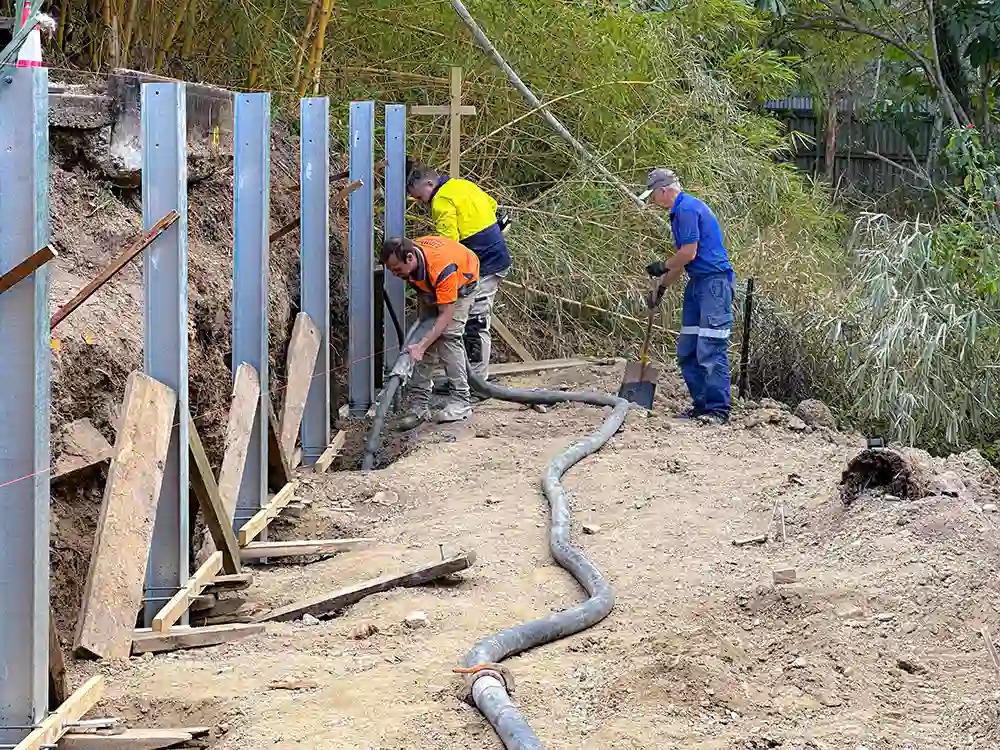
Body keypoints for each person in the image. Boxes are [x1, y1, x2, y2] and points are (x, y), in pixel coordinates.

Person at [640, 168, 735, 424]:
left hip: (714, 284)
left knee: (710, 347)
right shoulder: (679, 212)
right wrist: (662, 287)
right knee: (688, 348)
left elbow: (688, 254)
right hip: (698, 282)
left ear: (663, 190)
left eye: (653, 195)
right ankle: (702, 405)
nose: (653, 201)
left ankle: (717, 409)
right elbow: (682, 262)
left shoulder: (686, 209)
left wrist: (662, 265)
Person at [406, 163, 512, 384]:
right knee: (472, 321)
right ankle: (469, 378)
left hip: (485, 265)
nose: (421, 202)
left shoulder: (442, 201)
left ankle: (477, 383)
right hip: (494, 258)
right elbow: (491, 206)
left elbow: (447, 245)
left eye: (420, 197)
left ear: (428, 183)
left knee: (475, 322)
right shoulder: (463, 185)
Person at [380, 235, 480, 427]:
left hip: (462, 284)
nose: (395, 274)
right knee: (422, 339)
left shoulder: (442, 268)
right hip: (434, 286)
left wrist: (422, 346)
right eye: (391, 271)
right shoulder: (411, 261)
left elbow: (445, 316)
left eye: (397, 270)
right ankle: (419, 406)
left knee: (448, 337)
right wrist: (421, 342)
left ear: (410, 258)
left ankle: (461, 401)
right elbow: (416, 283)